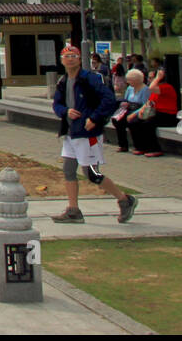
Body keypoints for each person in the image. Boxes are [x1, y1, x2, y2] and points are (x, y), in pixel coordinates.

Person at [51, 44, 138, 222]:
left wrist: (95, 118)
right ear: (61, 60)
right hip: (71, 132)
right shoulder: (63, 81)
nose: (69, 59)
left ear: (79, 59)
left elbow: (108, 99)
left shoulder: (89, 79)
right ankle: (73, 209)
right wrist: (65, 111)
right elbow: (57, 104)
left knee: (91, 172)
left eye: (73, 56)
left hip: (87, 134)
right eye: (66, 56)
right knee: (68, 169)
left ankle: (124, 199)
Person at [126, 59, 179, 157]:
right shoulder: (156, 90)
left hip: (168, 116)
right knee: (134, 122)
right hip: (156, 114)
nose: (149, 80)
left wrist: (157, 78)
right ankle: (141, 147)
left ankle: (155, 149)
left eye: (151, 78)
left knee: (148, 124)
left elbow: (151, 88)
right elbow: (148, 103)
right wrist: (136, 113)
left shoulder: (166, 87)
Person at [114, 68, 150, 152]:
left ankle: (139, 146)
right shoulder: (130, 88)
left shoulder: (145, 90)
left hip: (139, 110)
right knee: (117, 120)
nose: (128, 82)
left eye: (130, 80)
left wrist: (134, 114)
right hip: (129, 108)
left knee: (133, 122)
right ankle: (123, 145)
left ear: (136, 80)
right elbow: (125, 99)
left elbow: (145, 104)